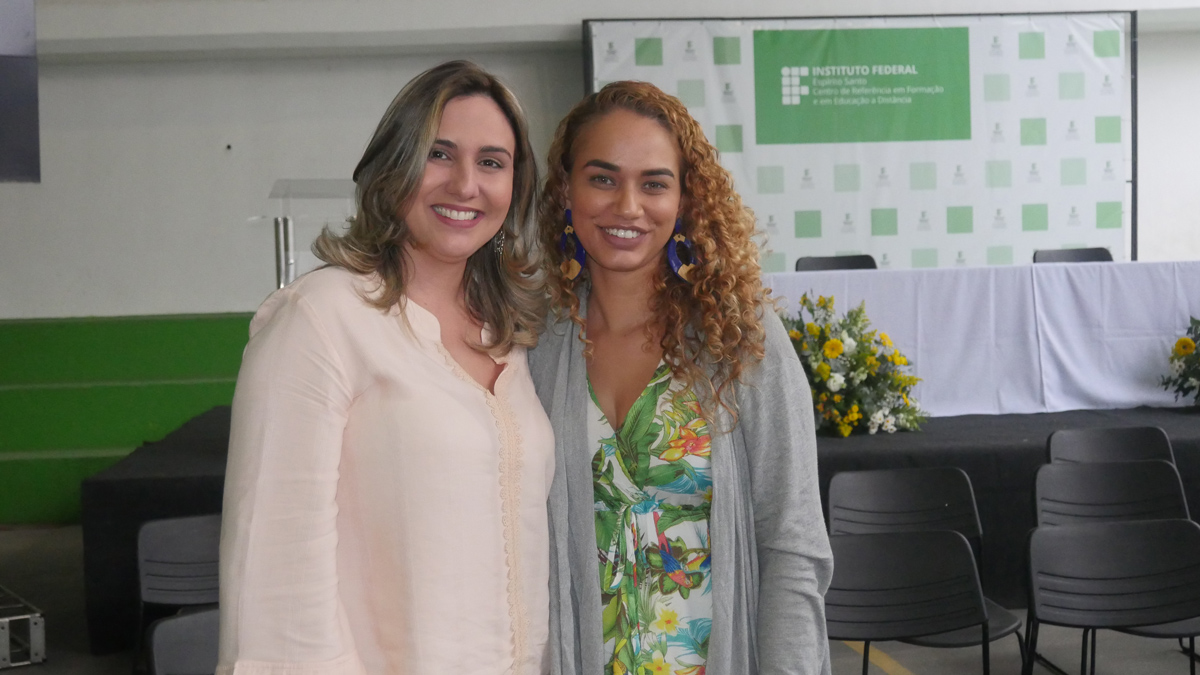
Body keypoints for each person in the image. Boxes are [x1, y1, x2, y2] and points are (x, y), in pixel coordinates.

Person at [217, 61, 554, 675]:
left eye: (491, 162)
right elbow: (275, 572)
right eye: (439, 154)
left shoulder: (510, 333)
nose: (465, 184)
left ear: (515, 186)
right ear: (393, 166)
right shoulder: (321, 318)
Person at [528, 81, 833, 675]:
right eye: (603, 178)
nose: (628, 206)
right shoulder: (536, 343)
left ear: (685, 197)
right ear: (565, 189)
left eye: (654, 183)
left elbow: (791, 545)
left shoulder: (740, 337)